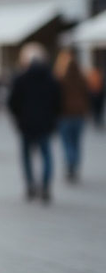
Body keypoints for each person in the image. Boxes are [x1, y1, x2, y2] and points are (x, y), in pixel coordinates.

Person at [7, 43, 62, 204]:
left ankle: (30, 185)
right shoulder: (51, 79)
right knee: (46, 156)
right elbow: (58, 104)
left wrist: (18, 118)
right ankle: (45, 186)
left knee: (26, 157)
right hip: (45, 124)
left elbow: (12, 103)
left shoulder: (20, 79)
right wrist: (52, 119)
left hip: (26, 125)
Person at [53, 50, 89, 184]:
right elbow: (87, 96)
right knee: (76, 142)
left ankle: (70, 164)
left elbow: (56, 98)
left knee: (67, 142)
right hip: (78, 114)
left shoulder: (60, 79)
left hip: (65, 115)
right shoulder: (81, 78)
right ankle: (74, 164)